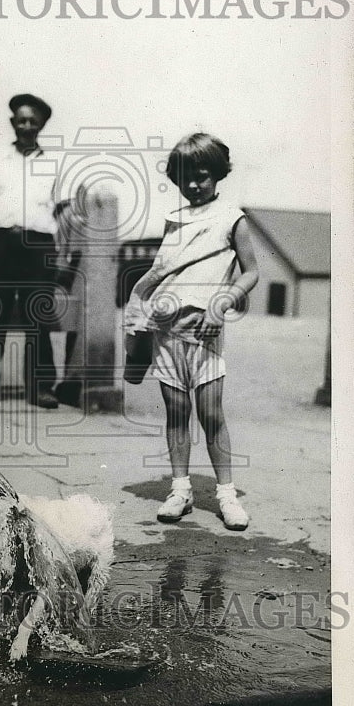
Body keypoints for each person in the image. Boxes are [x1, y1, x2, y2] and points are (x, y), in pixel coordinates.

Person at [124, 133, 259, 531]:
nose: (195, 185)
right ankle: (180, 489)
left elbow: (251, 271)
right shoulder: (175, 219)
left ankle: (226, 495)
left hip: (205, 330)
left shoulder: (232, 217)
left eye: (202, 176)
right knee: (176, 413)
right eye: (186, 179)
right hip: (167, 330)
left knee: (211, 414)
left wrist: (221, 304)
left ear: (217, 174)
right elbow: (164, 273)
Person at [0, 94, 59, 410]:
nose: (26, 126)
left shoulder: (53, 164)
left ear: (41, 125)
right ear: (13, 123)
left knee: (38, 314)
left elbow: (63, 211)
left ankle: (41, 388)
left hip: (38, 246)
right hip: (0, 244)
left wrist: (60, 250)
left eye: (32, 121)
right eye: (21, 120)